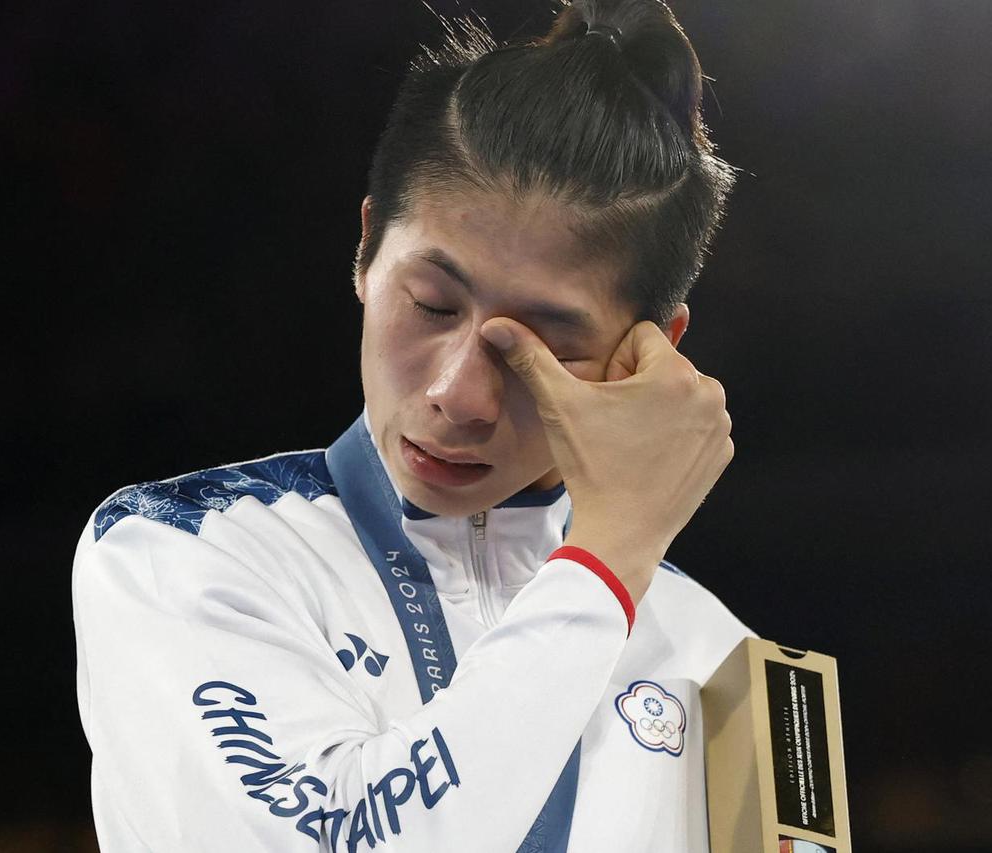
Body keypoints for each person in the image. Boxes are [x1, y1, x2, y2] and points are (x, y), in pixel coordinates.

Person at [72, 1, 750, 850]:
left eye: (541, 347)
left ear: (647, 357)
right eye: (431, 304)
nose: (459, 393)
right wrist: (608, 561)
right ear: (365, 250)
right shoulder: (176, 551)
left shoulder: (721, 658)